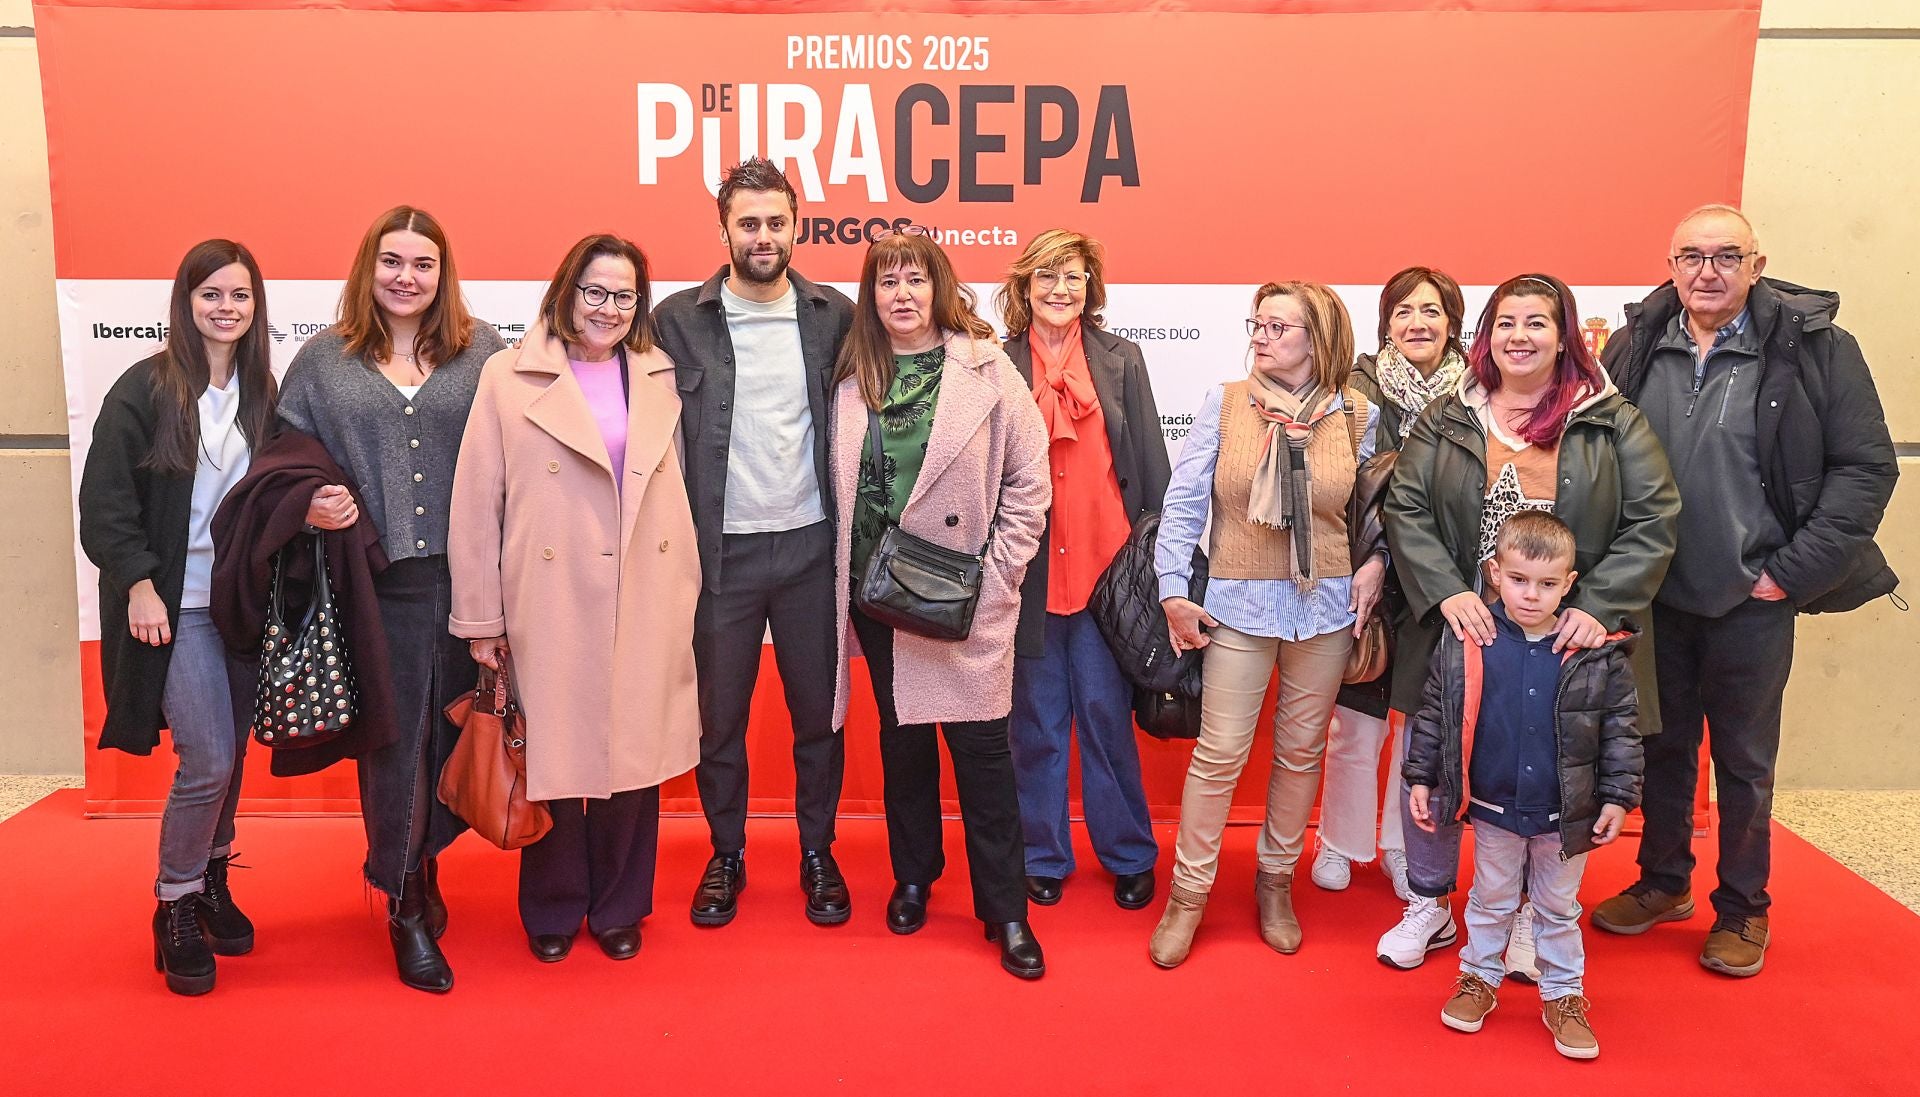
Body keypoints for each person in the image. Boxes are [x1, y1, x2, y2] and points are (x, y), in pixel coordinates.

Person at [1592, 204, 1898, 977]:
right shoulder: (1636, 343)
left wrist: (1790, 572)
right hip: (1656, 597)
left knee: (1745, 763)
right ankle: (1663, 881)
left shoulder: (1817, 349)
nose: (1708, 271)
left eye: (1727, 255)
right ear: (1671, 265)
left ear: (1756, 265)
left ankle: (1742, 907)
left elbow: (1865, 468)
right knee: (1661, 748)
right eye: (1691, 256)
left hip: (1753, 597)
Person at [1379, 272, 1678, 973]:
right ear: (1486, 336)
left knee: (1538, 768)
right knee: (1436, 757)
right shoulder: (1448, 415)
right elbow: (1406, 507)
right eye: (1505, 323)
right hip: (1463, 629)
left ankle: (1522, 916)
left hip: (1562, 637)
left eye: (1536, 322)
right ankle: (1428, 901)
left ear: (1564, 336)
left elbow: (1654, 518)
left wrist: (1595, 606)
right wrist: (1446, 591)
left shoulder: (1611, 418)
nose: (1519, 336)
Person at [449, 234, 701, 963]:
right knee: (550, 752)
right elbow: (478, 503)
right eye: (595, 291)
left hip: (644, 589)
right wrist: (482, 619)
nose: (608, 308)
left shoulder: (657, 372)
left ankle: (621, 903)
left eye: (624, 295)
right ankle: (554, 904)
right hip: (549, 595)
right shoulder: (508, 376)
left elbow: (676, 488)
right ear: (566, 290)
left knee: (633, 757)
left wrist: (684, 585)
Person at [276, 205, 506, 992]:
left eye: (423, 264)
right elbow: (285, 458)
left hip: (470, 585)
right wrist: (310, 499)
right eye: (393, 261)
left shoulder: (483, 353)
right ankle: (402, 900)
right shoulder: (323, 361)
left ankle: (425, 862)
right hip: (377, 590)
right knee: (395, 747)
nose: (407, 277)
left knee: (453, 737)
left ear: (443, 273)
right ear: (368, 267)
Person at [828, 227, 1051, 978]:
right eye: (887, 281)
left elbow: (1030, 480)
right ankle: (914, 875)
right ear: (871, 295)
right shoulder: (853, 374)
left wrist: (999, 576)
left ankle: (1006, 909)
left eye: (916, 279)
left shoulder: (987, 367)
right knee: (904, 746)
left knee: (984, 755)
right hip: (878, 595)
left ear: (940, 288)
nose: (903, 295)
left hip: (961, 599)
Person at [1148, 281, 1384, 967]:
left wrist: (1376, 564)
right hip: (1239, 606)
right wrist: (1172, 590)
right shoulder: (1225, 405)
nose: (1261, 335)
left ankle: (1275, 883)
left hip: (1327, 609)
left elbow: (1375, 512)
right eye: (1257, 323)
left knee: (1301, 753)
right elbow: (1183, 503)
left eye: (1279, 327)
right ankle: (1188, 894)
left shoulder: (1358, 415)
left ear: (1319, 338)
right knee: (1219, 753)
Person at [651, 158, 857, 928]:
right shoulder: (676, 320)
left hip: (812, 550)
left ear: (797, 226)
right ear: (724, 231)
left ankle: (818, 851)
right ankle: (726, 851)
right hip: (720, 557)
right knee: (720, 720)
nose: (762, 236)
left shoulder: (835, 316)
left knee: (819, 717)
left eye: (776, 222)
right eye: (748, 223)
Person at [79, 239, 277, 995]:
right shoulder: (145, 388)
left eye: (239, 295)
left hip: (239, 605)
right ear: (185, 301)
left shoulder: (261, 391)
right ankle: (175, 903)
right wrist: (138, 584)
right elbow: (104, 505)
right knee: (209, 759)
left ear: (256, 306)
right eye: (211, 294)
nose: (226, 307)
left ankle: (212, 877)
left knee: (233, 756)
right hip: (174, 606)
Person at [1404, 511, 1643, 1061]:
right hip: (1494, 807)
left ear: (1570, 583)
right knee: (1490, 899)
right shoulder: (1467, 641)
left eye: (1547, 583)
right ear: (1494, 573)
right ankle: (1478, 978)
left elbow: (1620, 728)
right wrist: (1422, 776)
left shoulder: (1597, 650)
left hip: (1564, 812)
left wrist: (1617, 795)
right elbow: (1437, 713)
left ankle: (1563, 995)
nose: (1532, 595)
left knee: (1557, 909)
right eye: (1518, 580)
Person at [998, 230, 1169, 912]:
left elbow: (1151, 466)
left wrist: (1161, 575)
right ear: (1025, 286)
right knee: (1035, 728)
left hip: (1108, 579)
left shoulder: (1123, 360)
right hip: (1028, 577)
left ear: (1090, 285)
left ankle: (1129, 853)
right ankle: (1041, 854)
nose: (1060, 288)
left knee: (1106, 720)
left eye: (1072, 275)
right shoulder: (997, 363)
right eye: (1046, 275)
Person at [1315, 267, 1468, 899]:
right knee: (1355, 722)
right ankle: (1338, 840)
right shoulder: (1359, 388)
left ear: (1452, 322)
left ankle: (1403, 847)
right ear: (1385, 324)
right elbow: (1343, 484)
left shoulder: (1476, 392)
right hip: (1365, 573)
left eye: (1430, 311)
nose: (1417, 323)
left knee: (1418, 728)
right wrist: (1372, 557)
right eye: (1403, 311)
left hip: (1440, 579)